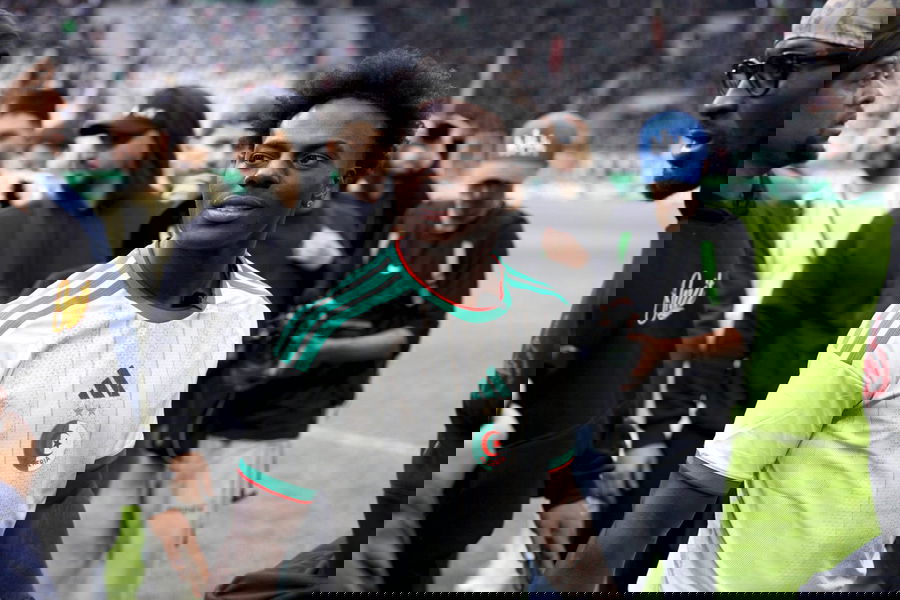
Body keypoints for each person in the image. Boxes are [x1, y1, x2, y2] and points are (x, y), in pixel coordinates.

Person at [206, 107, 759, 596]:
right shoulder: (520, 213)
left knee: (423, 520)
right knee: (406, 519)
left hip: (512, 398)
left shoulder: (640, 234)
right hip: (464, 387)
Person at [0, 86, 211, 302]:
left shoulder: (155, 227)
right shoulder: (65, 193)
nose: (105, 147)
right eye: (109, 138)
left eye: (127, 138)